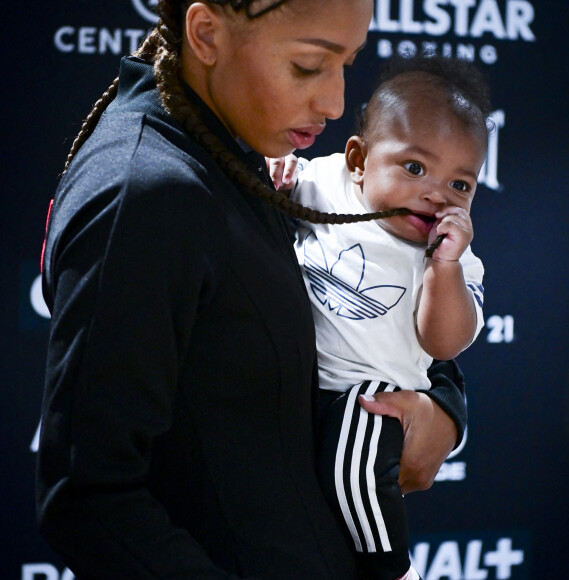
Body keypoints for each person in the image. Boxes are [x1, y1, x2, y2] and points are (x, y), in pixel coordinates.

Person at [37, 1, 470, 578]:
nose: (335, 103)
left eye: (348, 62)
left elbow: (379, 306)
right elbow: (90, 501)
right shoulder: (145, 192)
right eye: (308, 65)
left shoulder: (240, 148)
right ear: (206, 33)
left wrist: (441, 408)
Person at [269, 55, 492, 580]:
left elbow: (444, 343)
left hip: (369, 401)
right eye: (414, 168)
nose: (436, 194)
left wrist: (443, 269)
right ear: (357, 159)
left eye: (460, 185)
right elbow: (290, 177)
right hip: (293, 393)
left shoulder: (451, 260)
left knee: (361, 459)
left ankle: (390, 569)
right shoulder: (325, 182)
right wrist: (279, 174)